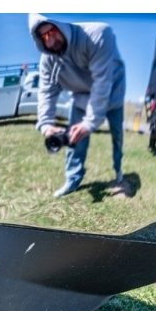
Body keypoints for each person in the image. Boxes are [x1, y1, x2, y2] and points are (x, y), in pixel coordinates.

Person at [29, 14, 127, 197]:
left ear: (60, 24)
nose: (50, 39)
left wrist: (89, 123)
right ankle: (73, 179)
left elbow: (102, 82)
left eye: (52, 31)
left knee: (117, 136)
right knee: (74, 140)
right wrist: (46, 125)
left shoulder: (98, 34)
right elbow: (46, 92)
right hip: (82, 98)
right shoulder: (47, 61)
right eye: (44, 36)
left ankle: (119, 170)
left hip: (113, 94)